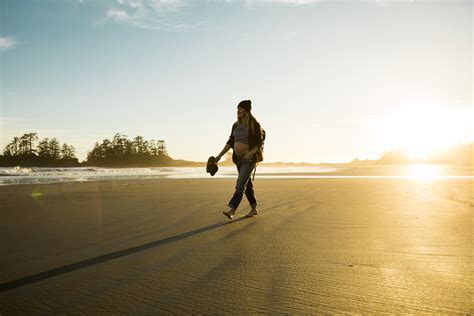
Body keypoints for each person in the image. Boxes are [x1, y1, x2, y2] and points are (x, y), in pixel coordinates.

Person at [215, 100, 264, 219]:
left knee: (240, 184)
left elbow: (259, 142)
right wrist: (219, 156)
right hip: (238, 160)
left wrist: (250, 153)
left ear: (246, 110)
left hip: (250, 159)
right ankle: (254, 208)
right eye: (237, 109)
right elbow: (230, 142)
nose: (238, 111)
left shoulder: (254, 124)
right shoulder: (235, 125)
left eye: (240, 109)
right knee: (247, 185)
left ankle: (232, 209)